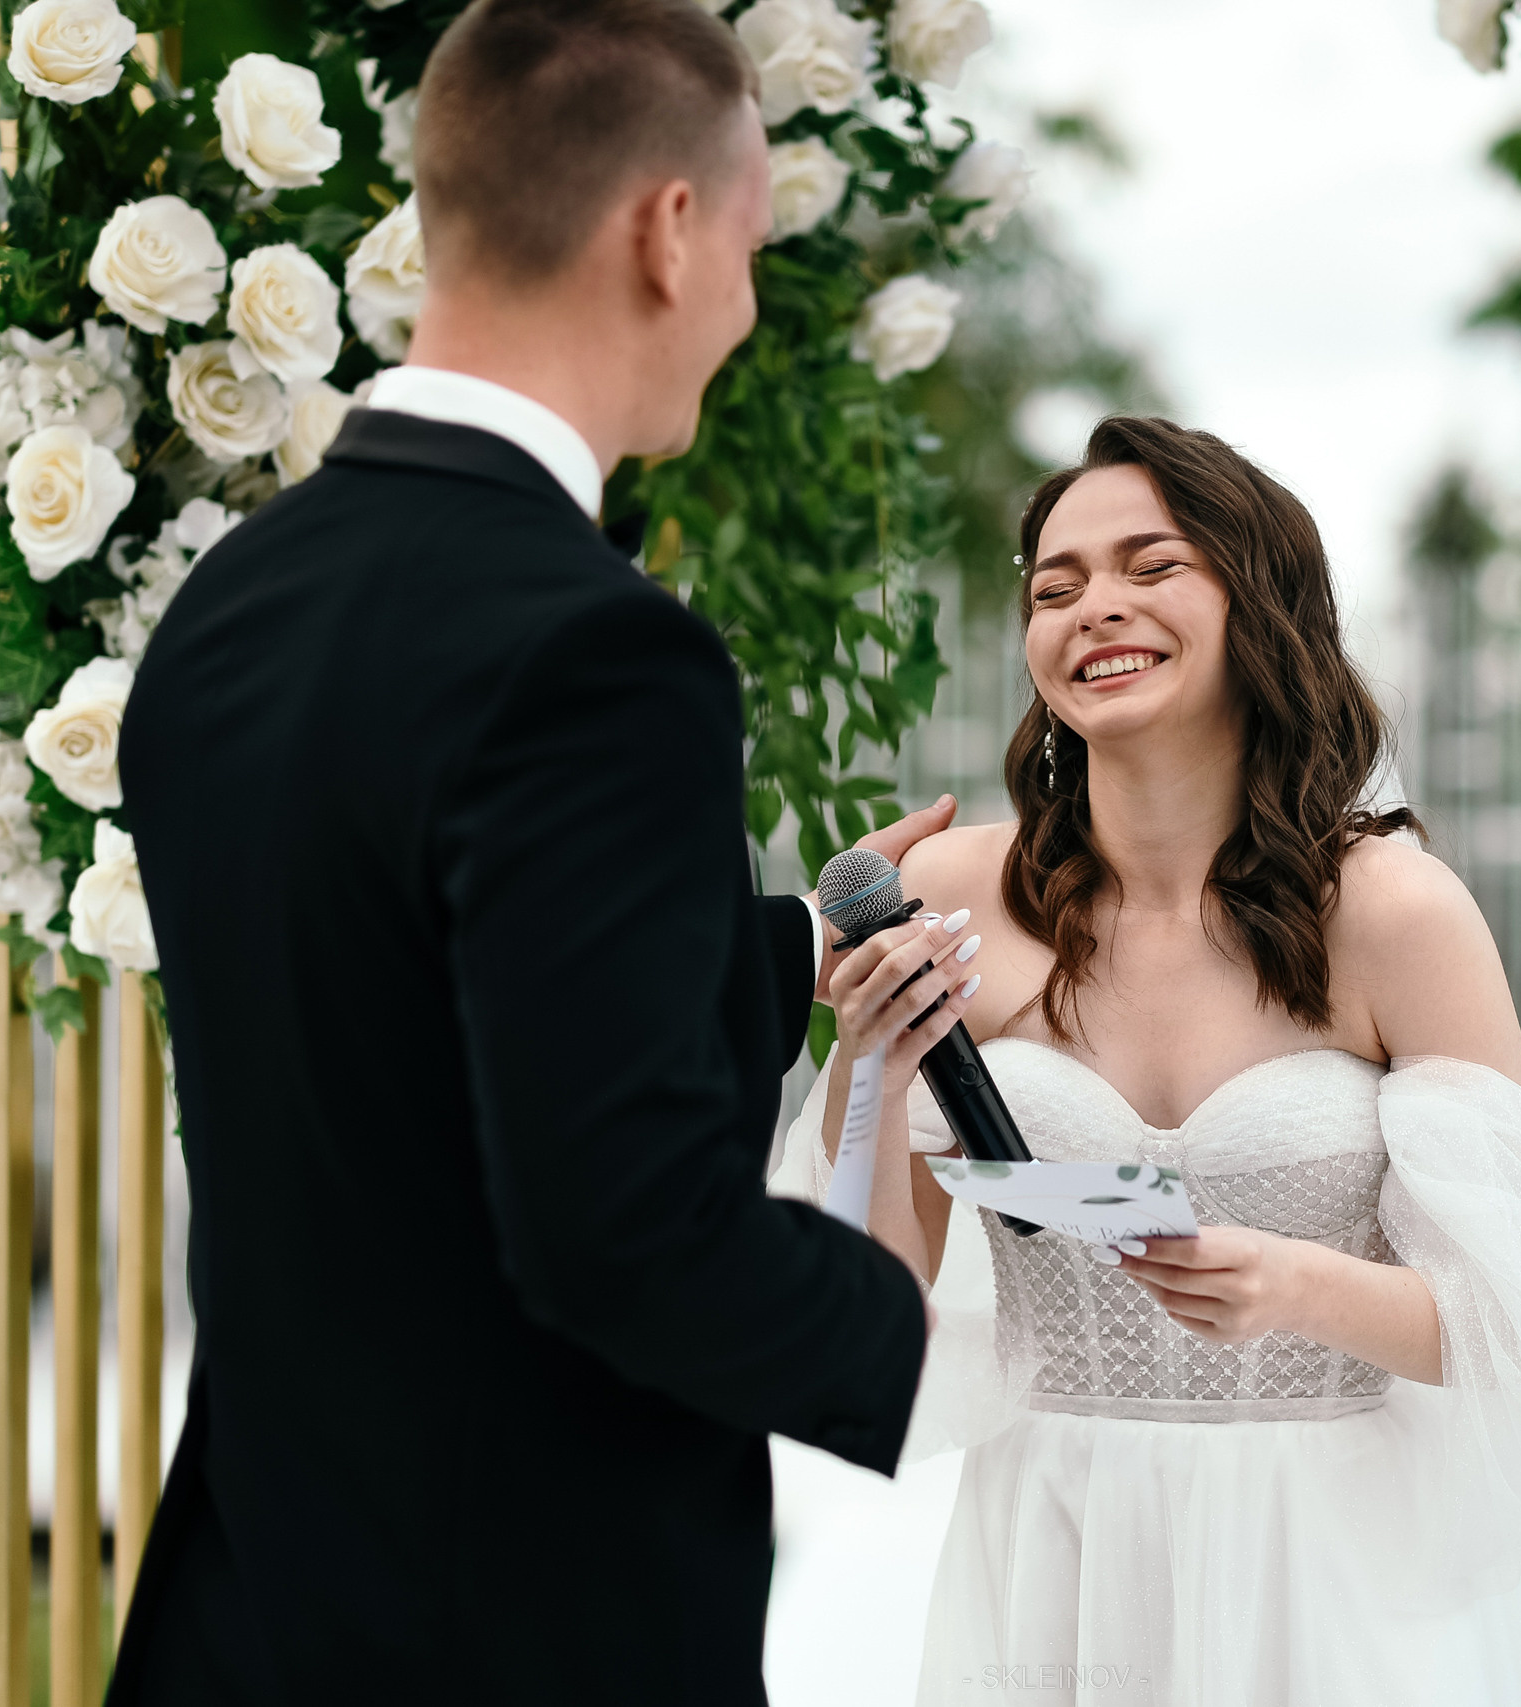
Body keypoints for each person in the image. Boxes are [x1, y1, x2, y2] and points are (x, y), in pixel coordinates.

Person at [111, 3, 967, 1702]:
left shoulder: (229, 609)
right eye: (752, 242)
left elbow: (398, 1013)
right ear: (667, 229)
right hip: (514, 1623)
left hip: (263, 1602)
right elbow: (621, 1232)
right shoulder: (596, 653)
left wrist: (792, 945)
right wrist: (927, 1346)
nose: (741, 302)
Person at [784, 417, 1521, 1705]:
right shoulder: (948, 894)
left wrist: (1302, 1289)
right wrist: (868, 1059)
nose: (1097, 607)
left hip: (1333, 1564)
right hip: (1054, 1549)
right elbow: (880, 1293)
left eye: (1153, 566)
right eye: (1056, 585)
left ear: (1260, 607)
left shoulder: (1393, 913)